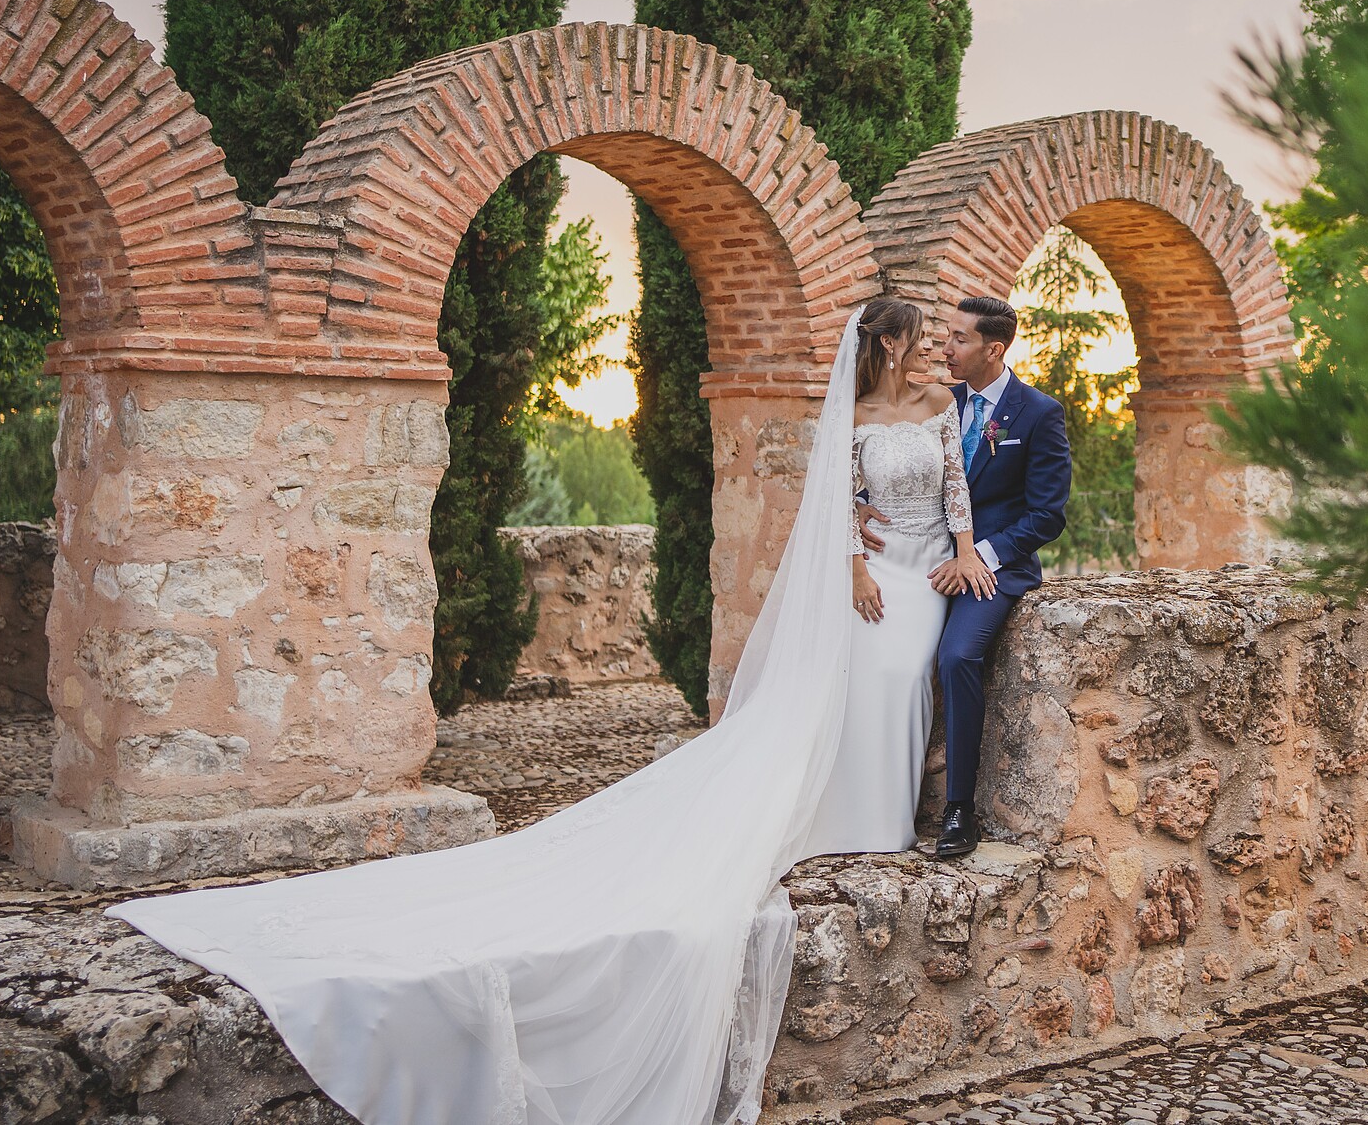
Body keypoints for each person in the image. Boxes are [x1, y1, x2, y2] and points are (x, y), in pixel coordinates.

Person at [105, 300, 978, 1125]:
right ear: (890, 345)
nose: (933, 345)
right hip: (873, 571)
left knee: (903, 680)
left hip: (929, 565)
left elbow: (954, 483)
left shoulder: (943, 402)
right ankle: (842, 809)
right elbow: (831, 498)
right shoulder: (856, 410)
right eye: (918, 336)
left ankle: (880, 813)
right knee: (864, 680)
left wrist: (967, 550)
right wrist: (854, 562)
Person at [857, 296, 1071, 858]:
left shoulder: (1038, 413)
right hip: (913, 558)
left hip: (993, 568)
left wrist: (980, 554)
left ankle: (959, 811)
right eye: (942, 336)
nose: (943, 349)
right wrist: (860, 506)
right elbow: (877, 465)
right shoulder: (933, 400)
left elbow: (1048, 514)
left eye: (958, 340)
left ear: (993, 349)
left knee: (956, 657)